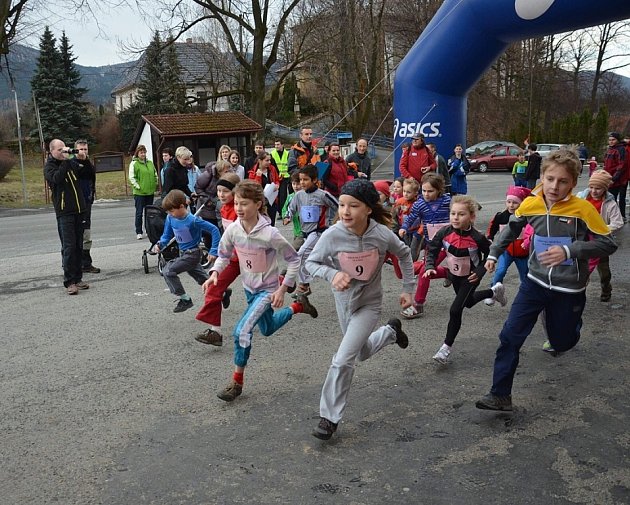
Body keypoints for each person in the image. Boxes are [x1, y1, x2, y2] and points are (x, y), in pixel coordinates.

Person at [476, 149, 617, 411]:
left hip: (569, 288)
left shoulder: (583, 209)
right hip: (534, 283)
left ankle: (570, 327)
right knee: (509, 336)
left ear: (573, 183)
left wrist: (569, 250)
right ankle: (500, 395)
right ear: (542, 177)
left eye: (563, 181)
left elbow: (608, 244)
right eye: (550, 179)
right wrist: (494, 253)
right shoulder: (531, 203)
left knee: (562, 342)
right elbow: (510, 230)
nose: (555, 186)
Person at [306, 178, 415, 440]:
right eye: (342, 205)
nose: (345, 211)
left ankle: (329, 418)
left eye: (353, 206)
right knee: (362, 352)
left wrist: (408, 288)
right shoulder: (332, 235)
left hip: (369, 303)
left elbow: (405, 254)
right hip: (344, 304)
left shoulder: (381, 234)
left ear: (368, 209)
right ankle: (390, 332)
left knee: (343, 359)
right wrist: (332, 275)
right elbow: (310, 262)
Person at [207, 180, 319, 402]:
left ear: (258, 204)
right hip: (249, 289)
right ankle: (299, 306)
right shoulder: (233, 230)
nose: (239, 208)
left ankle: (236, 382)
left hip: (268, 290)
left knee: (241, 332)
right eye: (237, 203)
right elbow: (223, 254)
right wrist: (215, 272)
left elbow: (294, 260)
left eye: (244, 203)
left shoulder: (270, 234)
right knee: (267, 329)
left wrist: (282, 289)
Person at [424, 195, 505, 364]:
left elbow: (489, 255)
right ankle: (494, 291)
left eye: (461, 214)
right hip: (455, 276)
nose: (455, 217)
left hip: (471, 277)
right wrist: (429, 266)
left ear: (472, 217)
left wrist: (481, 271)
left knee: (455, 310)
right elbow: (432, 249)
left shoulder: (477, 237)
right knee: (467, 302)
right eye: (453, 213)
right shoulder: (444, 232)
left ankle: (445, 348)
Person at [195, 172, 242, 345]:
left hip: (250, 257)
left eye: (225, 191)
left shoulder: (241, 210)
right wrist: (218, 253)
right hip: (233, 259)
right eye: (219, 191)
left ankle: (287, 282)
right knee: (214, 287)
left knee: (269, 285)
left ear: (235, 192)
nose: (221, 195)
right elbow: (226, 236)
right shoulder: (222, 208)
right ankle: (215, 332)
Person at [157, 189, 221, 313]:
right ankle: (223, 293)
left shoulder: (193, 220)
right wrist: (161, 244)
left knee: (168, 271)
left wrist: (213, 250)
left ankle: (185, 299)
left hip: (193, 253)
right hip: (183, 252)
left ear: (181, 206)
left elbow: (214, 230)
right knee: (202, 278)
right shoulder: (171, 218)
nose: (170, 213)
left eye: (172, 210)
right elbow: (167, 234)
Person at [398, 173, 451, 318]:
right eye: (424, 191)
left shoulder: (447, 201)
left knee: (425, 272)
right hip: (431, 245)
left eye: (430, 191)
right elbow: (411, 217)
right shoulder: (420, 204)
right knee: (426, 271)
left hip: (448, 243)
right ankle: (449, 274)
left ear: (439, 190)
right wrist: (404, 227)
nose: (426, 194)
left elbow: (460, 209)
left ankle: (419, 304)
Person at [283, 164, 339, 297]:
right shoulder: (298, 195)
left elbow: (338, 206)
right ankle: (341, 275)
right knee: (326, 260)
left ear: (315, 180)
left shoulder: (323, 195)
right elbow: (291, 208)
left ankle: (304, 285)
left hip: (319, 232)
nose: (302, 182)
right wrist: (287, 217)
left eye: (305, 180)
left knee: (300, 255)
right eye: (301, 180)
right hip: (306, 234)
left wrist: (338, 222)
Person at [44, 139, 89, 295]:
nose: (63, 152)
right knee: (69, 247)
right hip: (64, 213)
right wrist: (65, 161)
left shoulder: (69, 163)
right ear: (52, 151)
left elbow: (84, 172)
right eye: (60, 150)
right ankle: (69, 281)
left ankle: (78, 278)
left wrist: (82, 158)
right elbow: (56, 178)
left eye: (64, 148)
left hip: (79, 210)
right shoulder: (50, 166)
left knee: (78, 245)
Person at [576, 170, 623, 303]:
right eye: (591, 187)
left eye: (598, 188)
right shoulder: (581, 198)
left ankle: (606, 288)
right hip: (583, 238)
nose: (594, 191)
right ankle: (579, 292)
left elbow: (618, 223)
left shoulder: (610, 204)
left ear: (605, 188)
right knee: (582, 267)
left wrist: (602, 229)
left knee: (603, 270)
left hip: (601, 240)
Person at [484, 186, 531, 306]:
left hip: (523, 254)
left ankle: (526, 297)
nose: (511, 205)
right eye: (509, 202)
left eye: (515, 203)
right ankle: (493, 293)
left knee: (525, 276)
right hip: (506, 252)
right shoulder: (501, 216)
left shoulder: (525, 218)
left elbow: (532, 231)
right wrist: (489, 237)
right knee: (500, 272)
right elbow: (492, 227)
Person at [72, 139, 100, 274]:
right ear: (75, 150)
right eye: (80, 149)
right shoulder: (71, 164)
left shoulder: (89, 164)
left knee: (87, 234)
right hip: (74, 204)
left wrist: (92, 196)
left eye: (85, 149)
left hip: (86, 203)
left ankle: (86, 263)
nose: (83, 152)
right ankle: (74, 264)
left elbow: (92, 179)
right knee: (75, 235)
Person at [128, 144, 158, 240]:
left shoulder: (150, 163)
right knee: (139, 212)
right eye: (141, 152)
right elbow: (132, 177)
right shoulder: (134, 164)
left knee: (149, 213)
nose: (143, 154)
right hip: (139, 193)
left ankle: (148, 230)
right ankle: (139, 231)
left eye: (144, 152)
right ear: (138, 153)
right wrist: (138, 186)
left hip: (150, 192)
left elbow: (154, 173)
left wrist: (155, 182)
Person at [195, 159, 233, 230]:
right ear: (220, 171)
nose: (228, 173)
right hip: (206, 203)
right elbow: (198, 187)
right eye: (226, 171)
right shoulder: (207, 175)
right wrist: (205, 199)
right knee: (209, 229)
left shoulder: (227, 177)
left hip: (218, 203)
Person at [392, 178, 422, 261]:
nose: (405, 194)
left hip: (416, 230)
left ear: (415, 193)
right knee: (406, 246)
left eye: (409, 192)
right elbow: (395, 215)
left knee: (414, 249)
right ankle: (406, 261)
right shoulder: (399, 202)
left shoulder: (418, 203)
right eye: (404, 191)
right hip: (404, 229)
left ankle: (413, 263)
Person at [248, 151, 280, 226]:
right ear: (260, 161)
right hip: (260, 202)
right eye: (267, 160)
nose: (269, 162)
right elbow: (254, 187)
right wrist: (258, 176)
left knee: (272, 223)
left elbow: (277, 180)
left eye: (270, 160)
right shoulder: (253, 172)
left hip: (272, 200)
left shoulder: (272, 169)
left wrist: (277, 185)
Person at [603, 132, 627, 221]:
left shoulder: (620, 149)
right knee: (609, 198)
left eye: (613, 140)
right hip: (608, 177)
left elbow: (621, 165)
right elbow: (606, 164)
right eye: (609, 140)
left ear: (617, 140)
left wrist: (614, 178)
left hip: (616, 180)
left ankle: (617, 218)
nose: (611, 142)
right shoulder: (610, 149)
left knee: (612, 198)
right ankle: (612, 217)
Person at [281, 172, 305, 251]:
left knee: (293, 250)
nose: (295, 186)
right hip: (296, 231)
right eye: (293, 184)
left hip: (304, 231)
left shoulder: (306, 196)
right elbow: (285, 208)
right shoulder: (290, 197)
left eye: (298, 184)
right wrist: (285, 217)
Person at [271, 139, 291, 211]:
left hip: (286, 177)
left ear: (282, 145)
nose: (276, 146)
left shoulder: (287, 153)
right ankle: (279, 210)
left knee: (283, 195)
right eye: (275, 145)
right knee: (277, 194)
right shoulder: (272, 154)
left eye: (278, 144)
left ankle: (283, 211)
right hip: (276, 177)